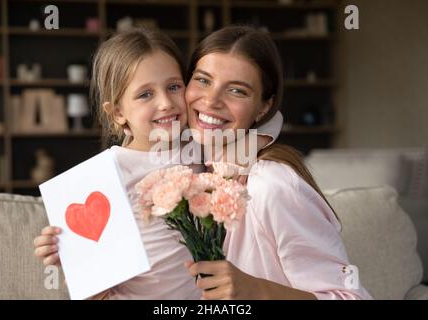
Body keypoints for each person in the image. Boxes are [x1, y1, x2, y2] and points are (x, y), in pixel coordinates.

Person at [32, 28, 281, 299]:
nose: (165, 103)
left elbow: (273, 119)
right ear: (117, 112)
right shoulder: (101, 176)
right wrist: (72, 254)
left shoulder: (200, 144)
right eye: (145, 95)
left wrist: (240, 157)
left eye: (174, 87)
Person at [184, 26, 372, 300]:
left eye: (237, 90)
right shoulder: (190, 173)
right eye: (202, 80)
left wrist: (255, 289)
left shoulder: (270, 186)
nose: (211, 100)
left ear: (263, 107)